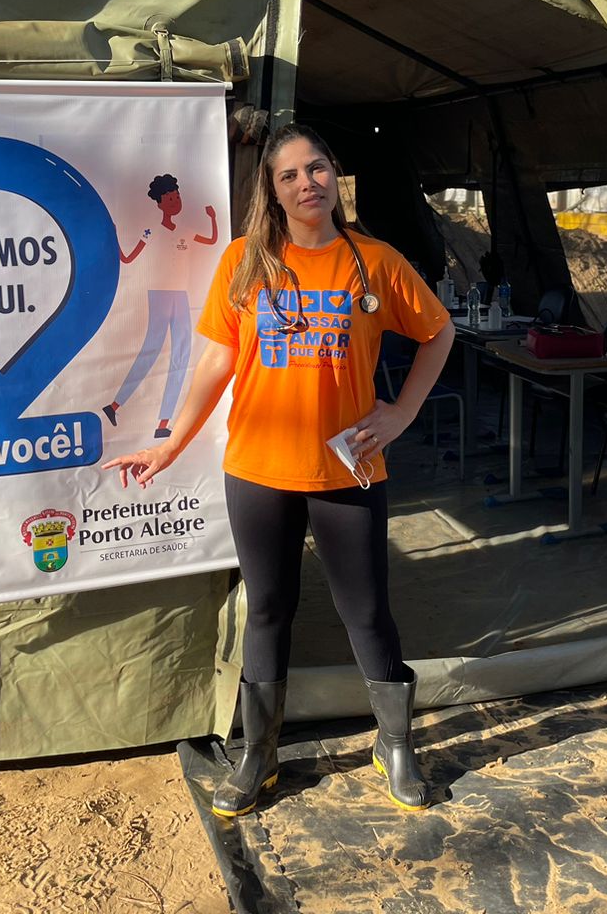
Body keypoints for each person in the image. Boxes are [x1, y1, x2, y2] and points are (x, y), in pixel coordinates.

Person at [103, 123, 454, 816]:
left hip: (348, 472)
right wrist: (170, 443)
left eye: (317, 167)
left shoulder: (375, 261)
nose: (307, 182)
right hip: (258, 471)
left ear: (335, 174)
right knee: (268, 610)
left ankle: (395, 743)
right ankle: (258, 752)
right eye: (290, 174)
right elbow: (216, 361)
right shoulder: (245, 260)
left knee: (367, 613)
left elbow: (438, 332)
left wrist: (402, 412)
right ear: (272, 189)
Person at [102, 174, 219, 438]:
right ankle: (116, 405)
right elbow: (128, 258)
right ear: (159, 203)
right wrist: (113, 235)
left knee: (180, 355)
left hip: (180, 297)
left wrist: (212, 217)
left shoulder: (186, 232)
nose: (175, 201)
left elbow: (212, 241)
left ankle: (163, 423)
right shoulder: (152, 231)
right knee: (153, 351)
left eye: (177, 196)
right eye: (169, 198)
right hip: (160, 297)